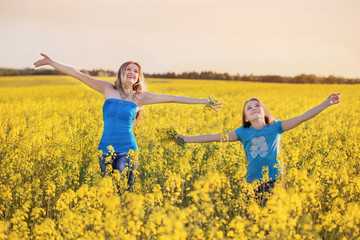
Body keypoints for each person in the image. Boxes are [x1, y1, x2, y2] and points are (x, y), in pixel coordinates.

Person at [34, 53, 221, 192]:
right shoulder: (107, 89)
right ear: (121, 73)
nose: (132, 72)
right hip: (105, 150)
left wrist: (204, 101)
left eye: (136, 71)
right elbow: (78, 74)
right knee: (108, 194)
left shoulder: (140, 97)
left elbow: (173, 98)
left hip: (127, 150)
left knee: (123, 192)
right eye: (128, 69)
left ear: (138, 78)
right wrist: (51, 63)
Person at [177, 94, 340, 206]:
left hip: (274, 182)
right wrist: (187, 139)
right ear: (246, 118)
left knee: (272, 222)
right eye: (249, 108)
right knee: (252, 225)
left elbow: (303, 117)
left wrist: (326, 103)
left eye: (257, 106)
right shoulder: (242, 132)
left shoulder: (276, 127)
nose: (254, 108)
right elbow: (214, 137)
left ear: (264, 111)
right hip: (251, 184)